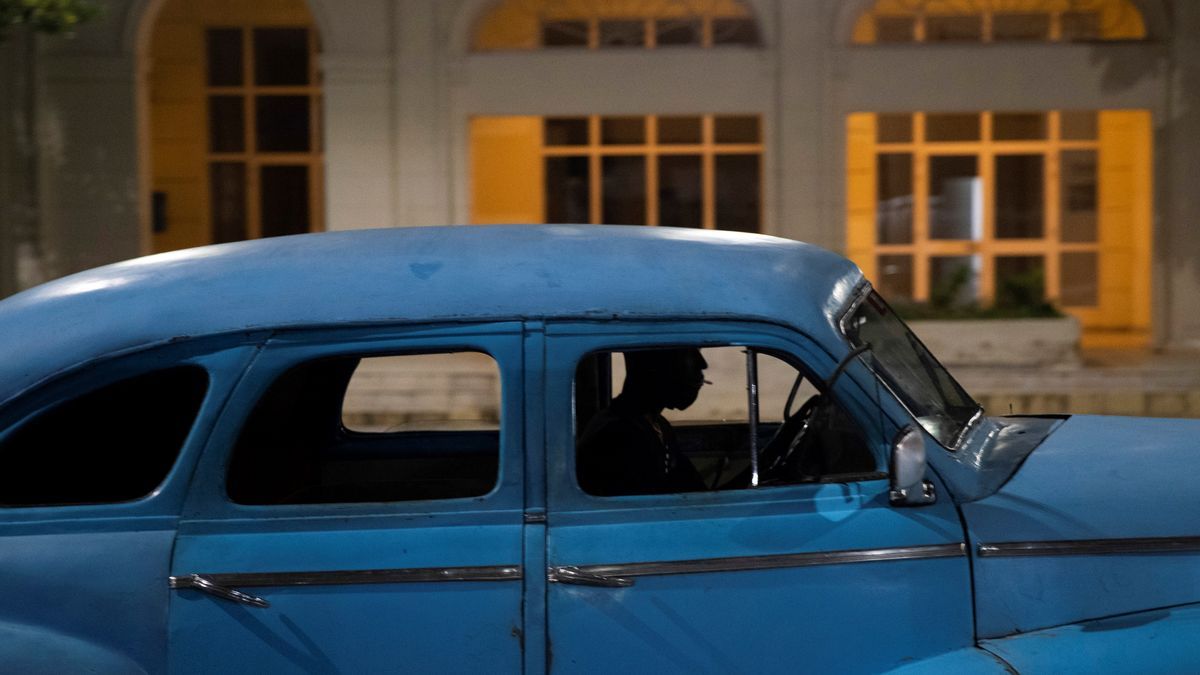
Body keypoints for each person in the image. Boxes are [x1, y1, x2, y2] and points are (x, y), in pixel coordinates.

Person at [577, 347, 709, 496]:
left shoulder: (658, 426)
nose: (702, 364)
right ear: (654, 365)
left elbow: (697, 493)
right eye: (688, 352)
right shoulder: (619, 436)